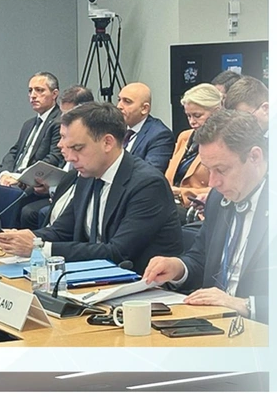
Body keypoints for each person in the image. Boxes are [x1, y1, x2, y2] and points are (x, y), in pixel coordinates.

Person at [0, 102, 182, 273]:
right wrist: (25, 238)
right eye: (68, 148)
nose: (70, 158)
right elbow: (63, 230)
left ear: (107, 142)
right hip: (96, 278)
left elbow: (118, 252)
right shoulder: (87, 174)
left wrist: (40, 248)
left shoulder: (147, 184)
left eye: (77, 148)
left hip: (141, 286)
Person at [143, 110, 268, 323]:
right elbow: (200, 259)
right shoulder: (218, 199)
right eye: (209, 170)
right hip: (214, 322)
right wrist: (178, 268)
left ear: (254, 157)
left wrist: (245, 305)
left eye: (221, 169)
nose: (212, 182)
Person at [18, 85, 95, 229]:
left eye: (69, 115)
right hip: (57, 192)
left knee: (35, 212)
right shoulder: (65, 132)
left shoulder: (90, 143)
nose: (63, 120)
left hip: (75, 198)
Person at [164, 83, 223, 220]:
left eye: (197, 115)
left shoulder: (224, 143)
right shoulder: (184, 137)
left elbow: (221, 189)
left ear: (217, 112)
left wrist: (181, 193)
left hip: (199, 212)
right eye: (188, 116)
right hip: (171, 205)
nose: (192, 121)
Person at [0, 72, 64, 185]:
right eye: (30, 90)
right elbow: (14, 152)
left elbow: (54, 158)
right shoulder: (28, 124)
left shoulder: (60, 121)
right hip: (13, 179)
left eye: (39, 90)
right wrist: (5, 173)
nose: (33, 95)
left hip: (32, 184)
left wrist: (20, 177)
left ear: (54, 94)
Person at [115, 82, 174, 172]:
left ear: (144, 109)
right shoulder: (114, 128)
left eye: (127, 101)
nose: (119, 106)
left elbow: (150, 174)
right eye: (119, 100)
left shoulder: (160, 135)